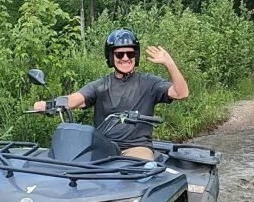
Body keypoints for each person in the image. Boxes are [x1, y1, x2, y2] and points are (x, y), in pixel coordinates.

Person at [33, 29, 189, 160]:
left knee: (138, 173)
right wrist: (50, 105)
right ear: (111, 57)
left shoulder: (149, 83)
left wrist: (169, 63)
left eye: (130, 54)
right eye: (120, 55)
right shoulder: (102, 85)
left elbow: (181, 93)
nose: (126, 58)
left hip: (136, 147)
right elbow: (76, 99)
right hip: (103, 145)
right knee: (76, 171)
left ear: (136, 55)